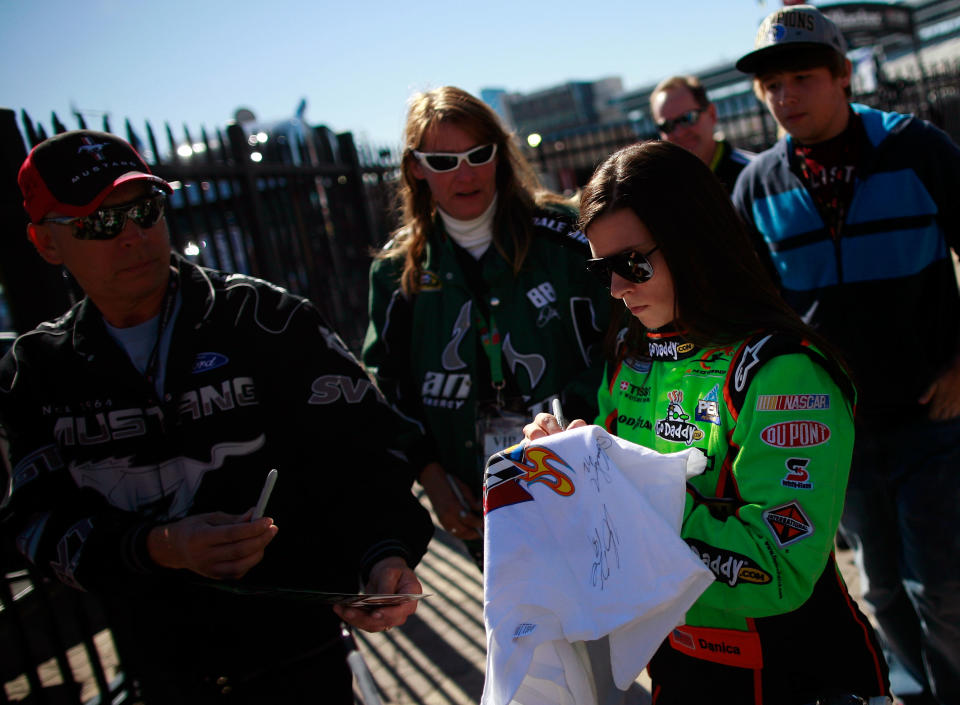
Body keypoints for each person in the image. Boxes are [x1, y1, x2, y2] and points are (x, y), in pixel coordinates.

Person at [0, 129, 434, 704]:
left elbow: (367, 453)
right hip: (164, 674)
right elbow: (33, 521)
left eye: (145, 209)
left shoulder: (266, 320)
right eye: (99, 222)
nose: (132, 235)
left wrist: (383, 556)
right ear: (47, 243)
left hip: (301, 662)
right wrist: (156, 545)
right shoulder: (37, 369)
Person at [524, 140, 890, 704]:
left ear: (695, 244)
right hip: (675, 659)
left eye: (632, 264)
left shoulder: (784, 372)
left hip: (790, 669)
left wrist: (615, 496)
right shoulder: (632, 352)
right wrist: (568, 464)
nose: (618, 289)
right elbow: (608, 489)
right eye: (602, 270)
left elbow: (780, 568)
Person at [731, 6, 960, 703]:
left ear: (843, 75)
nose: (785, 97)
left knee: (944, 588)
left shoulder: (917, 148)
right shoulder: (756, 187)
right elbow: (756, 316)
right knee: (880, 584)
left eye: (801, 77)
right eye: (771, 85)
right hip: (837, 432)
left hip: (933, 414)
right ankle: (912, 693)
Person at [362, 86, 609, 568]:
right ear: (416, 167)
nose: (466, 173)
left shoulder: (569, 235)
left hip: (584, 466)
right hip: (480, 500)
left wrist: (576, 420)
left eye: (478, 154)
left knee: (612, 627)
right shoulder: (395, 271)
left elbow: (626, 338)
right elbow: (386, 388)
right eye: (443, 161)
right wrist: (431, 477)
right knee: (530, 634)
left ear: (500, 151)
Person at [649, 74, 753, 194]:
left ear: (712, 114)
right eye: (666, 125)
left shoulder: (758, 174)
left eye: (688, 118)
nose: (679, 132)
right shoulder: (661, 192)